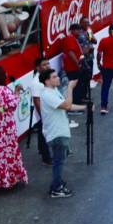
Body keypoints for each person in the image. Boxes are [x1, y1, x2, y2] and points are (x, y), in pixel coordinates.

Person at [39, 68, 79, 198]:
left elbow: (67, 105)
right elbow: (67, 105)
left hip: (60, 132)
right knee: (58, 162)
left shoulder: (53, 91)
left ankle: (57, 183)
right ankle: (56, 188)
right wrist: (70, 88)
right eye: (54, 77)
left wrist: (85, 107)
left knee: (59, 161)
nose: (58, 78)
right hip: (56, 134)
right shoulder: (47, 94)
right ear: (47, 81)